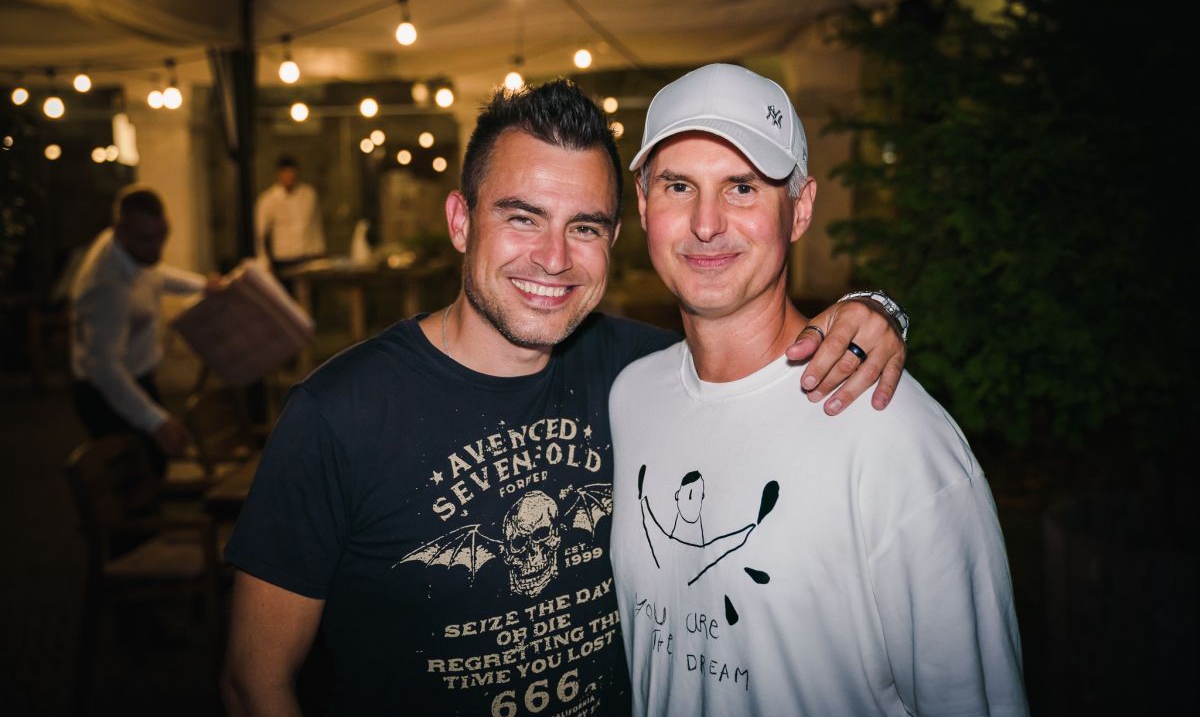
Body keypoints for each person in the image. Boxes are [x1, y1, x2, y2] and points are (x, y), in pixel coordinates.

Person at [220, 80, 907, 716]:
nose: (554, 259)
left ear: (614, 239)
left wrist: (873, 312)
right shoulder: (339, 414)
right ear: (461, 221)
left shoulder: (642, 375)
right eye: (523, 218)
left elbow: (757, 353)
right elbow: (255, 681)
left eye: (584, 227)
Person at [609, 64, 1027, 716]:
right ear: (642, 206)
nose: (706, 223)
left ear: (800, 209)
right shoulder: (631, 396)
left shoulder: (892, 430)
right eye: (679, 185)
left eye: (742, 187)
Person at [70, 184, 222, 477]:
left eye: (162, 235)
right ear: (122, 231)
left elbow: (156, 273)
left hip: (136, 378)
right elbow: (104, 369)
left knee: (154, 465)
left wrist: (203, 286)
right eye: (147, 239)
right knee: (136, 478)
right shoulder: (106, 285)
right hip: (105, 392)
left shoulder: (131, 251)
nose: (156, 248)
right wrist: (156, 421)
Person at [254, 155, 326, 277]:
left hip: (308, 256)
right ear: (279, 174)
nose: (289, 176)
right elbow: (260, 234)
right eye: (285, 172)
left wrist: (320, 252)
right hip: (283, 259)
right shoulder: (268, 200)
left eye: (291, 172)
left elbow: (316, 226)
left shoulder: (309, 195)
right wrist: (264, 261)